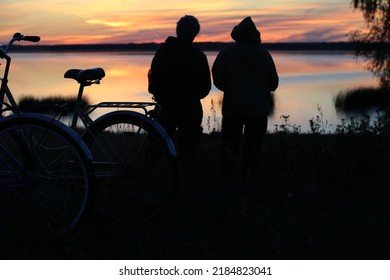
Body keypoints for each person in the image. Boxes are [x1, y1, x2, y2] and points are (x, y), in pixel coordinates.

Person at [212, 16, 279, 172]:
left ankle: (228, 180)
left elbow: (217, 79)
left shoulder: (225, 54)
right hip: (258, 110)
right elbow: (274, 84)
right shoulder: (264, 55)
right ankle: (249, 179)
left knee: (230, 146)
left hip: (232, 109)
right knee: (253, 148)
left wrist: (231, 89)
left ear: (236, 36)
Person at [148, 15, 211, 155]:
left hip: (165, 107)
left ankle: (151, 172)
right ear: (195, 34)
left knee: (157, 146)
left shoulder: (162, 52)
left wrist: (161, 96)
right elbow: (205, 87)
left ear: (178, 30)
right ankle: (183, 173)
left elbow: (153, 80)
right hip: (190, 109)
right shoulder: (198, 55)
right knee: (187, 150)